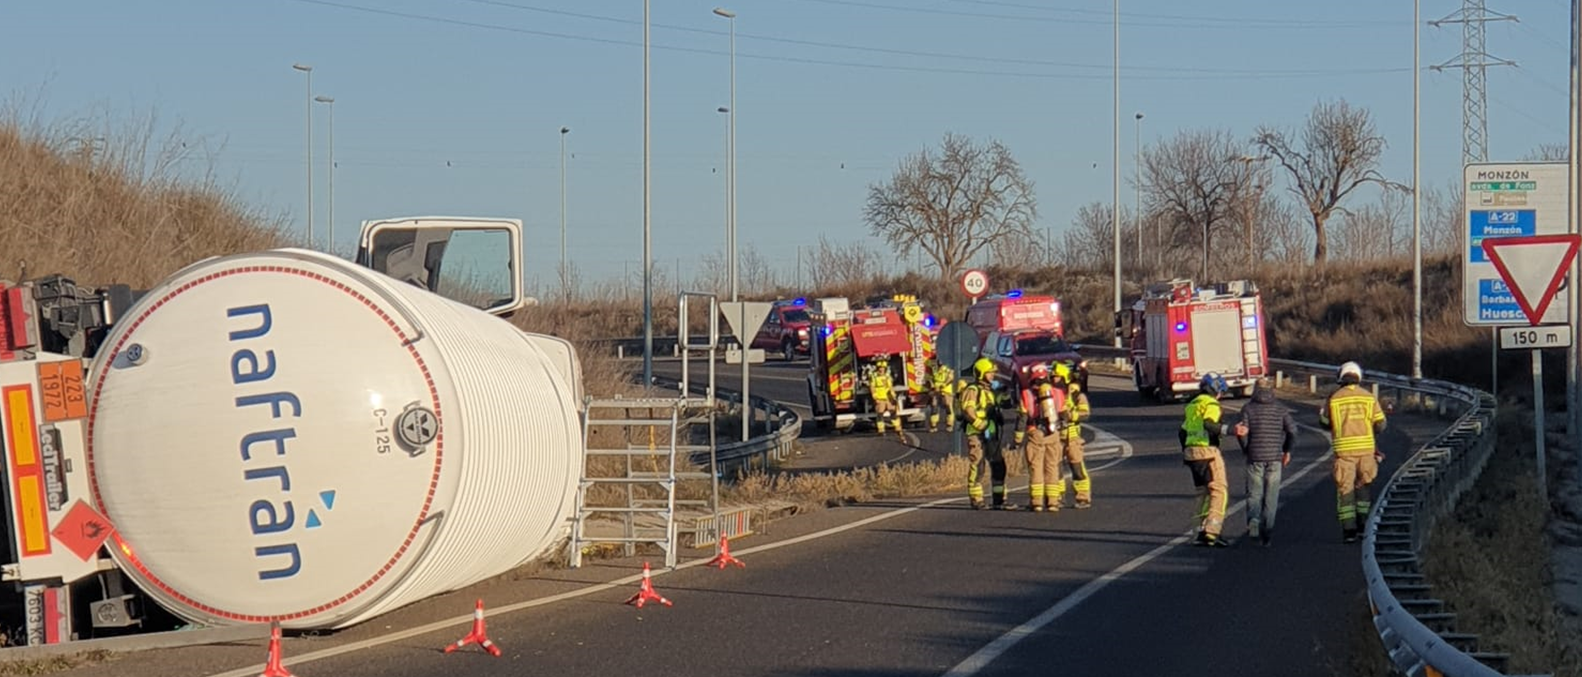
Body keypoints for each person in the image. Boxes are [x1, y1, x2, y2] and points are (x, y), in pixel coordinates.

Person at [1318, 361, 1388, 543]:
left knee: (1345, 490)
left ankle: (1349, 531)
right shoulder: (1368, 397)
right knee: (1364, 487)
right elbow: (1381, 424)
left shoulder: (1334, 398)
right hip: (1366, 452)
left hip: (1344, 454)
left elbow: (1324, 423)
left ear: (1341, 376)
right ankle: (1363, 526)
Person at [1233, 377, 1298, 547]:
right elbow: (1292, 430)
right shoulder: (1280, 409)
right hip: (1274, 457)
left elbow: (1242, 433)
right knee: (1271, 496)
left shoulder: (1248, 408)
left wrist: (1246, 449)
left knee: (1254, 493)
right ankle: (1267, 531)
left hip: (1255, 456)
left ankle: (1253, 521)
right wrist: (1287, 450)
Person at [1180, 372, 1234, 547]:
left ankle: (1198, 532)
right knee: (1219, 491)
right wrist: (1229, 430)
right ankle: (1212, 531)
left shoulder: (1192, 405)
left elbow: (1182, 432)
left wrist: (1186, 451)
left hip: (1191, 453)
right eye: (1221, 392)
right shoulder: (1210, 404)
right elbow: (1209, 424)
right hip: (1208, 452)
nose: (1221, 396)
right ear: (1216, 390)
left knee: (1202, 493)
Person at [960, 358, 1017, 510]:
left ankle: (999, 500)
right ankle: (976, 499)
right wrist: (981, 424)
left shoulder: (991, 390)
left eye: (993, 373)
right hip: (977, 435)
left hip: (992, 434)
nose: (992, 375)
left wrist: (1005, 393)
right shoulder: (972, 390)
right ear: (981, 373)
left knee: (999, 465)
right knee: (978, 466)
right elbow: (968, 411)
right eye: (989, 373)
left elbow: (1005, 404)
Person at [1016, 362, 1064, 512]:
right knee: (1052, 467)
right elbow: (1064, 414)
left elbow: (1022, 418)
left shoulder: (1026, 394)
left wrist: (1017, 439)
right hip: (1053, 433)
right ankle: (1053, 502)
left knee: (1036, 467)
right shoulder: (1058, 393)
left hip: (1035, 432)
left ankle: (1037, 502)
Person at [1053, 362, 1093, 509]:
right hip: (1056, 437)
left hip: (1073, 438)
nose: (1054, 380)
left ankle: (1083, 497)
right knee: (1055, 469)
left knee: (1077, 468)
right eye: (1053, 377)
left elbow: (1085, 414)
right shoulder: (1051, 395)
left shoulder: (1077, 395)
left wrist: (1069, 416)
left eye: (1057, 377)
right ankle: (1057, 497)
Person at [867, 358, 900, 438]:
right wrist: (875, 397)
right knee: (880, 414)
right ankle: (881, 430)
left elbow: (890, 387)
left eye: (883, 368)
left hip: (888, 397)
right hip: (880, 398)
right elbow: (872, 387)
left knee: (893, 412)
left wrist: (894, 397)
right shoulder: (874, 376)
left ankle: (897, 427)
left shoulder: (887, 376)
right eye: (880, 368)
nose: (881, 370)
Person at [927, 358, 956, 433]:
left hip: (946, 391)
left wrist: (944, 384)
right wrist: (932, 385)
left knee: (948, 406)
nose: (939, 364)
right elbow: (930, 378)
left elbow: (950, 378)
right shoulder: (934, 369)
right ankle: (933, 425)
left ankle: (949, 425)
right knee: (934, 406)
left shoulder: (948, 370)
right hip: (936, 390)